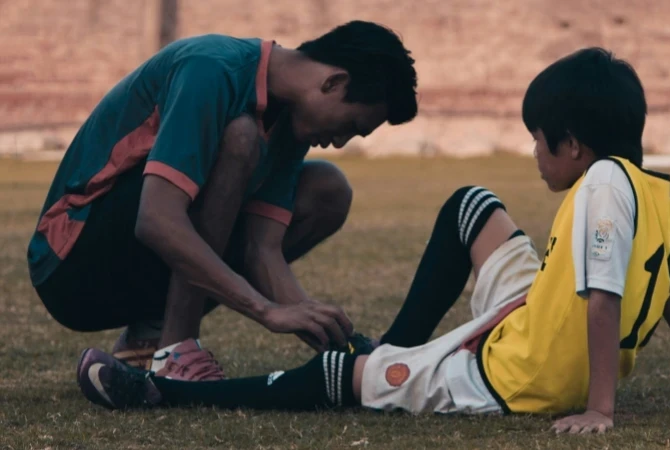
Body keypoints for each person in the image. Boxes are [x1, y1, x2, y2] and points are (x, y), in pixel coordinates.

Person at [75, 47, 670, 433]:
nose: (534, 153)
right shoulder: (652, 189)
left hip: (519, 373)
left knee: (343, 380)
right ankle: (399, 348)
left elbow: (605, 300)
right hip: (533, 313)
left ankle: (162, 395)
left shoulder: (600, 190)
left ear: (575, 146)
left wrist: (599, 409)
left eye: (538, 140)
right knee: (471, 206)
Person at [28, 21, 417, 381]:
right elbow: (156, 219)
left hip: (132, 273)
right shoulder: (212, 67)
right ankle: (176, 350)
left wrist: (341, 345)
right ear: (334, 81)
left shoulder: (290, 124)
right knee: (242, 138)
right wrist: (265, 310)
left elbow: (261, 251)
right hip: (71, 265)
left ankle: (149, 337)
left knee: (327, 188)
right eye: (351, 126)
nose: (340, 142)